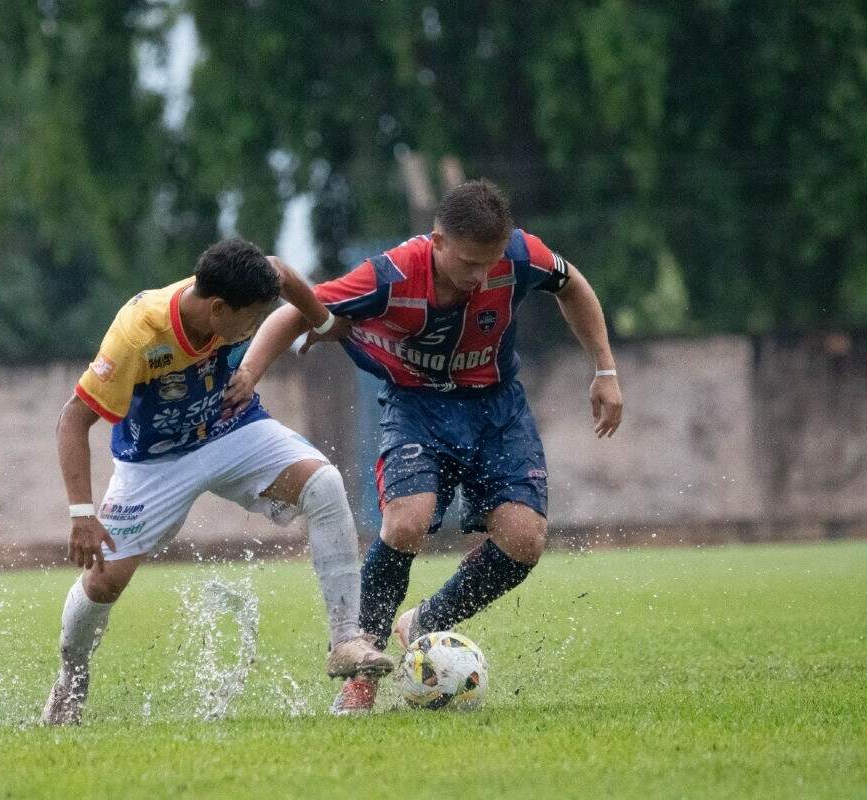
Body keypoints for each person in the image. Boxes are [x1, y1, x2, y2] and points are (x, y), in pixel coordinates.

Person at [224, 179, 624, 713]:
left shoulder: (523, 255)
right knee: (406, 522)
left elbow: (572, 284)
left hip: (497, 409)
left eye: (489, 262)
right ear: (436, 241)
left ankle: (424, 623)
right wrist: (250, 371)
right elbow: (297, 308)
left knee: (525, 540)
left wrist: (605, 368)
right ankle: (361, 668)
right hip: (417, 407)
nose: (480, 277)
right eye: (467, 264)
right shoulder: (391, 274)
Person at [41, 238, 393, 725]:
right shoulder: (139, 333)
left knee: (325, 484)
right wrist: (81, 514)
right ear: (218, 308)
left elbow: (284, 275)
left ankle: (346, 639)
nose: (254, 327)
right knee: (103, 584)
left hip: (231, 427)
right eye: (249, 319)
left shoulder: (245, 283)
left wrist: (324, 323)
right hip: (155, 461)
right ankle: (70, 684)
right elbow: (72, 421)